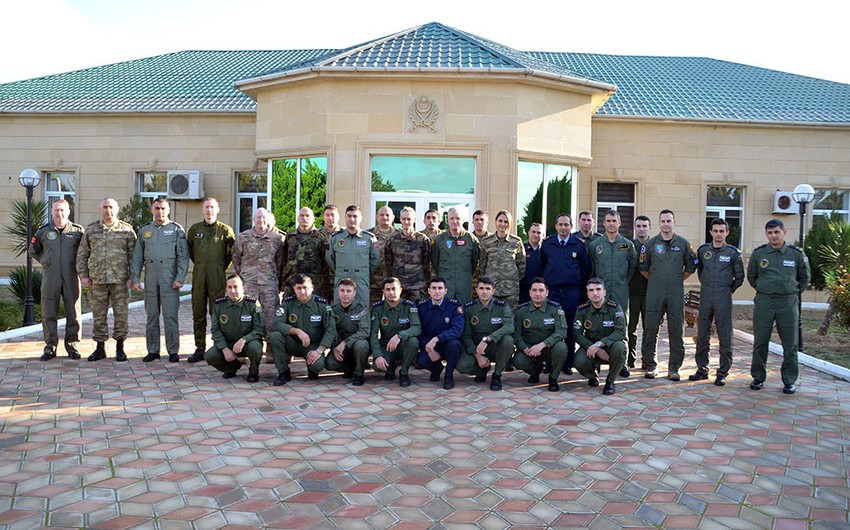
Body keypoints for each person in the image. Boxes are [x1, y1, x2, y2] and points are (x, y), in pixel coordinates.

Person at [747, 219, 810, 394]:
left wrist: (791, 291)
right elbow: (752, 276)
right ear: (766, 234)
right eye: (770, 233)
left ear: (784, 232)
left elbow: (804, 278)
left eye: (777, 232)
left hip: (787, 303)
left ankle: (789, 380)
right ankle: (758, 377)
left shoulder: (795, 254)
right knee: (760, 342)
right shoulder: (759, 254)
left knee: (790, 344)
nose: (774, 236)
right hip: (765, 302)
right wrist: (765, 289)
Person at [638, 209, 697, 380]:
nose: (666, 224)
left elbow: (691, 266)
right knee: (650, 328)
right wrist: (657, 279)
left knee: (676, 329)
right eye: (663, 221)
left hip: (675, 291)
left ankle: (674, 368)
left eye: (668, 221)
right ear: (659, 223)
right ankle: (650, 365)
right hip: (654, 290)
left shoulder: (684, 244)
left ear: (674, 222)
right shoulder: (649, 245)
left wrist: (677, 279)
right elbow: (643, 268)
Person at [77, 198, 136, 362]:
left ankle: (120, 348)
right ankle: (100, 348)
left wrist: (133, 277)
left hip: (120, 280)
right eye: (105, 207)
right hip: (98, 280)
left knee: (121, 314)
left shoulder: (127, 230)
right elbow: (82, 255)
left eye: (111, 207)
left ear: (117, 209)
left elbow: (134, 257)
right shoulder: (91, 230)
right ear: (100, 209)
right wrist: (84, 276)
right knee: (98, 315)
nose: (108, 210)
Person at [131, 198, 190, 363]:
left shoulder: (176, 230)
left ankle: (172, 350)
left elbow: (183, 256)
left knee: (170, 316)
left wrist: (180, 278)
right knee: (152, 316)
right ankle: (153, 350)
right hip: (150, 279)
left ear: (168, 210)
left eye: (163, 208)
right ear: (152, 210)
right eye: (157, 208)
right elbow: (137, 257)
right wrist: (135, 278)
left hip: (169, 279)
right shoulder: (144, 231)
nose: (160, 212)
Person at [690, 218, 745, 386]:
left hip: (723, 295)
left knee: (724, 335)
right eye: (716, 231)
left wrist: (727, 290)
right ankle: (702, 369)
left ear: (727, 232)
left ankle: (722, 372)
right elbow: (700, 271)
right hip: (706, 294)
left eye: (722, 231)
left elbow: (740, 277)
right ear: (711, 232)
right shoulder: (703, 250)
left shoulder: (733, 253)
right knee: (702, 334)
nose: (718, 234)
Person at [29, 199, 84, 360]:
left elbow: (85, 252)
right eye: (56, 210)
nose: (59, 213)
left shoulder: (78, 231)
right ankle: (50, 347)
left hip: (71, 276)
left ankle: (73, 346)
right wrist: (46, 261)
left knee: (73, 312)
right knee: (48, 312)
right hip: (50, 277)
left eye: (62, 210)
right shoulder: (43, 232)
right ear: (52, 212)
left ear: (68, 212)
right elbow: (33, 250)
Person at [538, 213, 591, 374]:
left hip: (571, 292)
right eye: (560, 224)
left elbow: (586, 269)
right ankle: (549, 361)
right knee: (549, 326)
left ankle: (567, 363)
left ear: (571, 226)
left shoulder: (579, 245)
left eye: (566, 225)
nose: (563, 228)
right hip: (552, 292)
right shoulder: (548, 244)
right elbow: (541, 266)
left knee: (569, 327)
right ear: (555, 226)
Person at [186, 197, 236, 363]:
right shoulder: (194, 230)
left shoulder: (225, 231)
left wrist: (219, 267)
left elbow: (231, 254)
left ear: (218, 209)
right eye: (206, 207)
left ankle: (218, 347)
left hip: (217, 275)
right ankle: (199, 348)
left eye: (212, 207)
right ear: (202, 209)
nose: (209, 210)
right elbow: (191, 252)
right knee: (198, 311)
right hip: (199, 274)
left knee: (218, 313)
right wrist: (202, 266)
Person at [587, 210, 636, 376]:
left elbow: (632, 267)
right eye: (608, 221)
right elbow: (592, 270)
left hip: (621, 291)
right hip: (601, 293)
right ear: (603, 223)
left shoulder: (628, 245)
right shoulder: (595, 245)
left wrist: (622, 282)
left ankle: (622, 363)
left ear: (619, 223)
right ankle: (596, 362)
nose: (611, 224)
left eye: (614, 220)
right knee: (597, 326)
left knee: (622, 326)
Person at [268, 273, 335, 385]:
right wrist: (297, 331)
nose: (302, 292)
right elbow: (277, 324)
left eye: (305, 288)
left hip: (312, 346)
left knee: (317, 366)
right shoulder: (287, 303)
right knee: (275, 336)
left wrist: (319, 351)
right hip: (292, 343)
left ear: (312, 288)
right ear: (294, 289)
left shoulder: (322, 305)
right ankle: (283, 372)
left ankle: (312, 369)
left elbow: (331, 329)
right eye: (299, 288)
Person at [232, 208, 285, 340]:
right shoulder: (243, 237)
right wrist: (243, 277)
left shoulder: (276, 239)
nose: (261, 220)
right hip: (249, 285)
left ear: (268, 220)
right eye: (258, 218)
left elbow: (280, 261)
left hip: (269, 285)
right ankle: (248, 347)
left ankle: (271, 350)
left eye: (263, 218)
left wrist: (274, 277)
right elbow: (236, 258)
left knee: (271, 317)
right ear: (254, 219)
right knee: (247, 316)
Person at [204, 274, 265, 383]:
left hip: (247, 343)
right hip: (228, 344)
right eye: (229, 287)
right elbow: (215, 330)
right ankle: (232, 367)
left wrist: (244, 339)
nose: (232, 291)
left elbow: (260, 329)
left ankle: (253, 372)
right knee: (210, 356)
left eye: (236, 287)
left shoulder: (252, 304)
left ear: (244, 288)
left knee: (255, 348)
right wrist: (224, 348)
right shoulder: (219, 305)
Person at [457, 276, 514, 390]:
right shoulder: (469, 309)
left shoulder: (502, 307)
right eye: (481, 288)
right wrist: (477, 355)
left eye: (488, 289)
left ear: (493, 291)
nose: (484, 292)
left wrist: (489, 339)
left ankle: (497, 375)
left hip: (495, 347)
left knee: (508, 340)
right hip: (477, 348)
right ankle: (481, 369)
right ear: (476, 290)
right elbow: (466, 335)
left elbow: (509, 327)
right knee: (462, 366)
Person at [573, 278, 627, 395]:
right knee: (579, 361)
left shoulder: (615, 308)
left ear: (604, 292)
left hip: (610, 345)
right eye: (591, 290)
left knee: (620, 348)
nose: (595, 293)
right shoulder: (582, 310)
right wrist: (594, 348)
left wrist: (600, 344)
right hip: (590, 347)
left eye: (598, 289)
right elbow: (577, 334)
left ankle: (610, 381)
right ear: (587, 293)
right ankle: (592, 376)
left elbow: (620, 332)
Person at [513, 277, 568, 391]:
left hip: (549, 348)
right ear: (529, 292)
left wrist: (542, 345)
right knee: (518, 360)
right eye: (534, 290)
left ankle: (553, 378)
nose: (537, 294)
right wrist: (525, 349)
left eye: (541, 290)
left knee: (561, 347)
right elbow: (517, 335)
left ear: (547, 293)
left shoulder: (555, 309)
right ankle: (535, 371)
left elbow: (562, 332)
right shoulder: (521, 311)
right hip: (530, 348)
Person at [326, 205, 381, 309]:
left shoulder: (369, 238)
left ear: (360, 218)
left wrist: (364, 271)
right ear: (345, 217)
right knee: (339, 309)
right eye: (349, 216)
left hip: (361, 279)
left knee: (362, 309)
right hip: (341, 277)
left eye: (355, 216)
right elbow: (330, 258)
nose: (352, 219)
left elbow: (375, 259)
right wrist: (340, 270)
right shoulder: (335, 238)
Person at [370, 277, 421, 387]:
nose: (391, 292)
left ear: (400, 290)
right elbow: (373, 334)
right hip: (386, 347)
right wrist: (377, 355)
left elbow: (417, 328)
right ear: (383, 292)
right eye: (388, 290)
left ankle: (404, 372)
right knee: (377, 367)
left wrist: (400, 335)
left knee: (413, 341)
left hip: (404, 346)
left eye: (394, 289)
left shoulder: (409, 306)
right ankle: (390, 367)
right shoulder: (378, 308)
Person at [416, 277, 465, 389]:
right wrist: (428, 348)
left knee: (454, 345)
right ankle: (436, 369)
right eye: (434, 288)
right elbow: (418, 330)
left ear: (445, 291)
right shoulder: (421, 307)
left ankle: (448, 376)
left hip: (448, 343)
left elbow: (457, 329)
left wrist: (437, 339)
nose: (437, 291)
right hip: (430, 346)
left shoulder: (454, 306)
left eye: (440, 288)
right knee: (421, 361)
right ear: (429, 291)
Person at [326, 278, 371, 385]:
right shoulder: (332, 310)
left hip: (357, 344)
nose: (345, 294)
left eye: (349, 291)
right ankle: (349, 367)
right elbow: (330, 331)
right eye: (342, 291)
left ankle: (359, 374)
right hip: (341, 348)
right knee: (329, 364)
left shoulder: (362, 309)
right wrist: (334, 348)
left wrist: (345, 342)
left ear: (354, 293)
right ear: (338, 292)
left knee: (361, 345)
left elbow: (364, 332)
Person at [383, 206, 431, 302]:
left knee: (418, 314)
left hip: (418, 287)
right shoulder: (392, 239)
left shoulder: (422, 239)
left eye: (409, 219)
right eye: (404, 219)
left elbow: (427, 264)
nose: (406, 221)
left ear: (414, 220)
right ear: (400, 219)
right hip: (398, 288)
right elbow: (388, 263)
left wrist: (427, 284)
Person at [479, 210, 525, 308]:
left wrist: (512, 279)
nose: (502, 224)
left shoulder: (516, 242)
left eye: (506, 221)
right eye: (500, 221)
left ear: (510, 224)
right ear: (495, 222)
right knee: (492, 318)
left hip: (510, 290)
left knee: (510, 318)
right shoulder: (486, 242)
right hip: (491, 289)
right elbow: (482, 265)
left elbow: (521, 265)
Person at [432, 207, 480, 303]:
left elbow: (475, 262)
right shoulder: (439, 239)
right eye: (451, 218)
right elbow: (434, 262)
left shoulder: (471, 239)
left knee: (464, 313)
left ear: (463, 220)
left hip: (464, 285)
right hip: (445, 285)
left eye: (458, 218)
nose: (455, 221)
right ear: (447, 220)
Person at [281, 207, 329, 297]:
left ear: (313, 219)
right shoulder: (290, 236)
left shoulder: (320, 237)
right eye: (302, 215)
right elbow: (284, 259)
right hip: (291, 283)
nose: (304, 218)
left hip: (313, 284)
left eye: (307, 216)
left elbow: (325, 263)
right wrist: (282, 281)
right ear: (298, 218)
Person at [628, 215, 652, 370]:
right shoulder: (629, 246)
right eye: (639, 226)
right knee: (630, 329)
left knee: (650, 329)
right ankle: (629, 360)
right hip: (632, 293)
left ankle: (647, 360)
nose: (641, 229)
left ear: (649, 228)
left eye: (644, 226)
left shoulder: (655, 246)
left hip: (651, 295)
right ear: (635, 228)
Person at [368, 205, 397, 303]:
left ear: (393, 217)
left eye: (387, 215)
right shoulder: (368, 235)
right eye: (381, 215)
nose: (384, 217)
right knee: (373, 308)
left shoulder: (399, 235)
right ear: (377, 217)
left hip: (393, 280)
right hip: (373, 280)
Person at [519, 222, 544, 305]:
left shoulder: (546, 250)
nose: (535, 235)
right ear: (528, 233)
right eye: (533, 232)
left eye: (539, 233)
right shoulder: (521, 249)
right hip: (524, 289)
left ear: (543, 235)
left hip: (541, 291)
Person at [319, 205, 341, 299]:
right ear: (323, 217)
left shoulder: (345, 234)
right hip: (321, 281)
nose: (330, 218)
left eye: (333, 215)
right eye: (327, 215)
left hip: (339, 279)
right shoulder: (316, 235)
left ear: (338, 217)